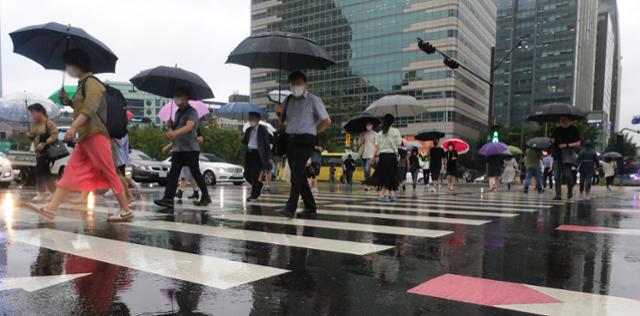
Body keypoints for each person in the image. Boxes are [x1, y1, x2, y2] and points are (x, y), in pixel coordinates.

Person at [27, 49, 132, 221]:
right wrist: (67, 101)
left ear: (77, 65)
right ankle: (52, 209)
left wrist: (73, 127)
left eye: (69, 65)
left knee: (109, 171)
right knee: (70, 172)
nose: (68, 70)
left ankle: (125, 209)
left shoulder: (93, 83)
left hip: (96, 135)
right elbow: (80, 107)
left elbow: (89, 109)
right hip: (85, 138)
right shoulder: (82, 84)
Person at [277, 71, 331, 218]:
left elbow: (326, 121)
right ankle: (310, 207)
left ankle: (291, 207)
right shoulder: (288, 100)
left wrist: (314, 132)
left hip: (306, 140)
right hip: (290, 140)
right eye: (293, 84)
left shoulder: (314, 100)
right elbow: (283, 121)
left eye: (299, 83)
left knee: (296, 171)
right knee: (299, 174)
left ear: (306, 84)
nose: (296, 86)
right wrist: (279, 112)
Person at [154, 88, 211, 208]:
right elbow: (177, 128)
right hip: (178, 149)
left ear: (186, 98)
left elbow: (189, 127)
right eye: (176, 96)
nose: (176, 99)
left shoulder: (192, 112)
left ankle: (206, 196)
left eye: (179, 96)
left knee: (196, 173)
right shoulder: (178, 112)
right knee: (173, 174)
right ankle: (168, 198)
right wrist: (171, 125)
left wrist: (174, 133)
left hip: (190, 149)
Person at [26, 103, 58, 202]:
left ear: (40, 112)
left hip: (47, 153)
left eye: (33, 113)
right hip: (38, 153)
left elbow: (54, 136)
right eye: (31, 113)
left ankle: (41, 194)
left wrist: (44, 143)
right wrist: (29, 136)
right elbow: (33, 138)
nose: (32, 115)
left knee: (39, 172)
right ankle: (53, 193)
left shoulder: (49, 123)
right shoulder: (35, 125)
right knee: (46, 173)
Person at [243, 112, 273, 201]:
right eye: (249, 118)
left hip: (258, 154)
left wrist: (269, 157)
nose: (250, 120)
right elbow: (245, 142)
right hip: (249, 153)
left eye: (252, 118)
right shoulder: (248, 130)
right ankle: (258, 186)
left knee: (254, 175)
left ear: (258, 119)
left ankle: (253, 195)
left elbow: (266, 145)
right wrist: (242, 137)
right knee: (246, 174)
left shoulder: (263, 130)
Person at [372, 114, 402, 202]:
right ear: (392, 122)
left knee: (386, 175)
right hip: (392, 156)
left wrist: (373, 157)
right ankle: (382, 195)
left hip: (383, 156)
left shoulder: (379, 133)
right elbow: (399, 143)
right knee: (391, 175)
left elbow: (376, 147)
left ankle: (390, 194)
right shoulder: (395, 131)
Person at [550, 116, 581, 200]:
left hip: (567, 155)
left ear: (569, 120)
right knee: (556, 176)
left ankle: (570, 190)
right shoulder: (557, 130)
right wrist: (552, 140)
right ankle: (558, 194)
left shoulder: (574, 130)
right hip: (557, 155)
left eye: (564, 119)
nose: (562, 121)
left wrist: (567, 145)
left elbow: (578, 143)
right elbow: (552, 140)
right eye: (561, 120)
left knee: (567, 175)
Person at [359, 122, 376, 190]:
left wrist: (375, 155)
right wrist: (362, 138)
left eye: (369, 125)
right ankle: (367, 184)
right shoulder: (363, 133)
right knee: (365, 171)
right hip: (363, 155)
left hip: (371, 154)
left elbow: (377, 145)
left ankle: (369, 184)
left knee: (367, 169)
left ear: (372, 125)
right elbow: (359, 143)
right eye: (367, 125)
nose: (368, 126)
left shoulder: (375, 134)